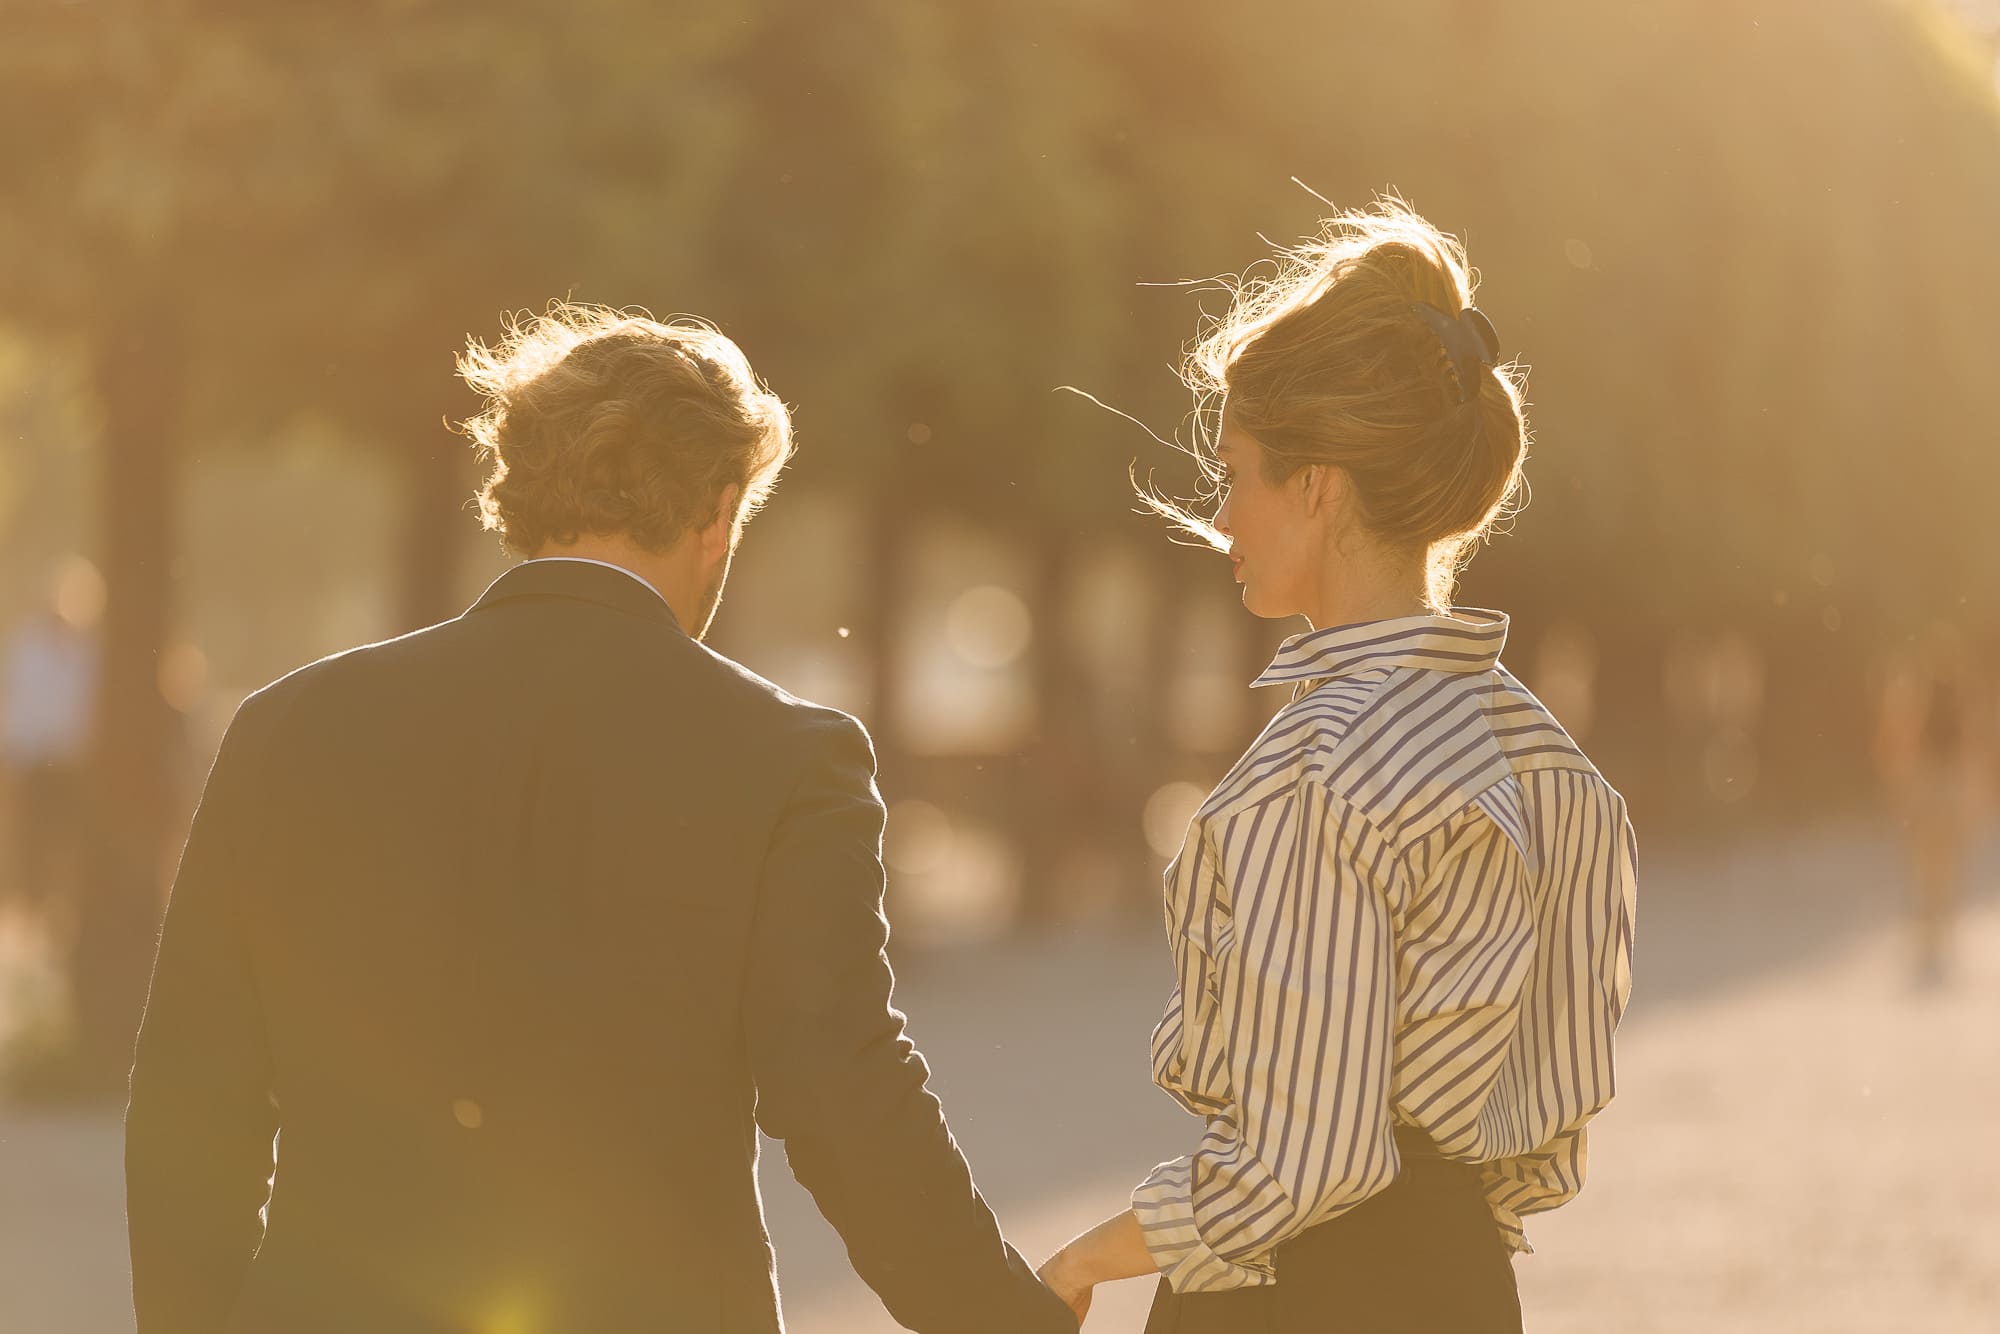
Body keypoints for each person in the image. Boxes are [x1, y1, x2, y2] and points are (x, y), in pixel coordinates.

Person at [124, 305, 1075, 1334]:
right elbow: (844, 1093)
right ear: (717, 514)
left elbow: (192, 1093)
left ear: (519, 492)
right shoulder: (787, 756)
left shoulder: (288, 726)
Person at [1037, 201, 1638, 1332]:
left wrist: (1076, 1262)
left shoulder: (1312, 777)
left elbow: (1298, 1162)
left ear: (1315, 487)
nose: (1221, 518)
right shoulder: (1554, 767)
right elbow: (1543, 1143)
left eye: (1236, 475)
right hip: (1460, 1281)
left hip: (1295, 1292)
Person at [2, 558, 102, 911]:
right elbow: (17, 704)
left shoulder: (89, 651)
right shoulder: (27, 647)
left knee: (69, 844)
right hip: (35, 764)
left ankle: (64, 911)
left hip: (74, 765)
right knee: (34, 846)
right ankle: (35, 913)